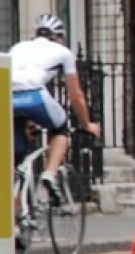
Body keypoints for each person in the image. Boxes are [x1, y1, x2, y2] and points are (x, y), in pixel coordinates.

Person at [9, 13, 101, 198]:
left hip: (6, 97)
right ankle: (50, 174)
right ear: (59, 37)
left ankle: (18, 218)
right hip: (35, 95)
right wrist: (87, 124)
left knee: (16, 160)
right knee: (60, 129)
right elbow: (76, 96)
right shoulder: (63, 52)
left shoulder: (17, 47)